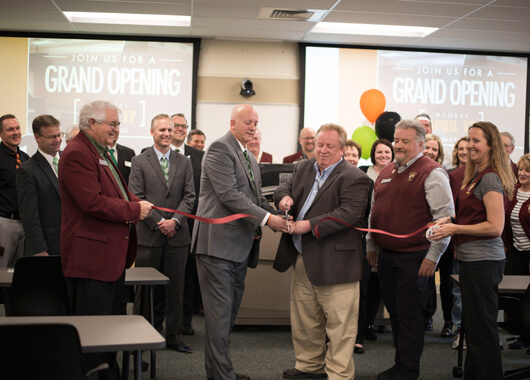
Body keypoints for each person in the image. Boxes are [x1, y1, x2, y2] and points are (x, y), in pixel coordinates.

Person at [191, 104, 289, 380]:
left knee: (226, 317)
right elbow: (229, 195)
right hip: (217, 247)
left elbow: (256, 198)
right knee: (220, 318)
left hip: (239, 247)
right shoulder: (220, 149)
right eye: (247, 122)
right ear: (232, 122)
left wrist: (278, 212)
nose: (252, 127)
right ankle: (223, 376)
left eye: (256, 123)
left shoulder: (249, 156)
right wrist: (269, 220)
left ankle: (221, 372)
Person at [59, 100, 153, 379]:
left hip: (110, 259)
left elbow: (118, 194)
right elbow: (92, 203)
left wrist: (136, 202)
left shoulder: (101, 152)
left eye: (118, 124)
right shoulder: (78, 153)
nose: (116, 129)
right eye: (111, 124)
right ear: (91, 124)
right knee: (94, 335)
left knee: (110, 329)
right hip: (92, 261)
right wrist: (136, 210)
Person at [274, 123, 370, 380]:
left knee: (340, 325)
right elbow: (284, 187)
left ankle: (338, 374)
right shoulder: (303, 166)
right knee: (305, 319)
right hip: (303, 257)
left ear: (342, 148)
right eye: (319, 145)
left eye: (330, 146)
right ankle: (309, 367)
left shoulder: (355, 178)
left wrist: (309, 225)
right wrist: (283, 199)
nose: (323, 150)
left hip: (336, 263)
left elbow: (349, 215)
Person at [367, 119, 454, 380]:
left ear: (420, 144)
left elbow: (444, 219)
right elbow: (375, 211)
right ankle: (400, 364)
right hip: (386, 256)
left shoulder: (433, 172)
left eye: (405, 141)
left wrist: (433, 256)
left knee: (411, 317)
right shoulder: (386, 171)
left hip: (415, 257)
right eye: (396, 140)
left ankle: (408, 371)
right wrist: (371, 243)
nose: (398, 146)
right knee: (396, 313)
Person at [431, 121, 515, 380]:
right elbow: (472, 217)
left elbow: (494, 226)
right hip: (471, 261)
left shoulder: (489, 177)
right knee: (475, 330)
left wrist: (455, 229)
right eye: (468, 139)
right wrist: (451, 222)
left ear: (491, 146)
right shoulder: (474, 175)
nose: (469, 145)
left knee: (483, 331)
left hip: (484, 262)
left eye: (477, 140)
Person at [129, 113, 196, 354]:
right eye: (162, 130)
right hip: (149, 236)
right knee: (145, 290)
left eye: (170, 129)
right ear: (152, 132)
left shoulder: (184, 161)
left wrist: (175, 222)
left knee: (175, 290)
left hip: (178, 237)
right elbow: (136, 197)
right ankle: (140, 334)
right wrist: (160, 223)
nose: (167, 133)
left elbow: (190, 197)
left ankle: (172, 336)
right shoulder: (139, 161)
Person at [171, 112, 205, 335]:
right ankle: (155, 323)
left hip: (190, 225)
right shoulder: (146, 155)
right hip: (159, 224)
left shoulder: (199, 156)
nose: (181, 129)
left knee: (187, 275)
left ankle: (184, 322)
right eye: (176, 126)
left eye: (184, 126)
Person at [16, 115, 62, 257]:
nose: (58, 140)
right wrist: (39, 250)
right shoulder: (28, 171)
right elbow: (29, 217)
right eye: (52, 137)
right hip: (47, 248)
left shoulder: (70, 162)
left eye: (59, 135)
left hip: (72, 245)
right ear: (37, 137)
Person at [502, 153, 530, 349]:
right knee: (517, 298)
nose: (522, 173)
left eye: (527, 170)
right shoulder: (512, 191)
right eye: (520, 169)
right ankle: (523, 335)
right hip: (515, 252)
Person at [422, 133, 449, 332]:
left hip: (438, 235)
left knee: (437, 279)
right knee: (424, 281)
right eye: (428, 148)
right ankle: (425, 316)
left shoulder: (440, 174)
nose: (430, 152)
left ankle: (436, 318)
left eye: (434, 149)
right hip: (418, 237)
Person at [0, 114, 29, 268]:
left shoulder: (25, 158)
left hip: (24, 224)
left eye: (17, 128)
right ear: (1, 133)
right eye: (10, 129)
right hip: (4, 223)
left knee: (19, 272)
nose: (16, 132)